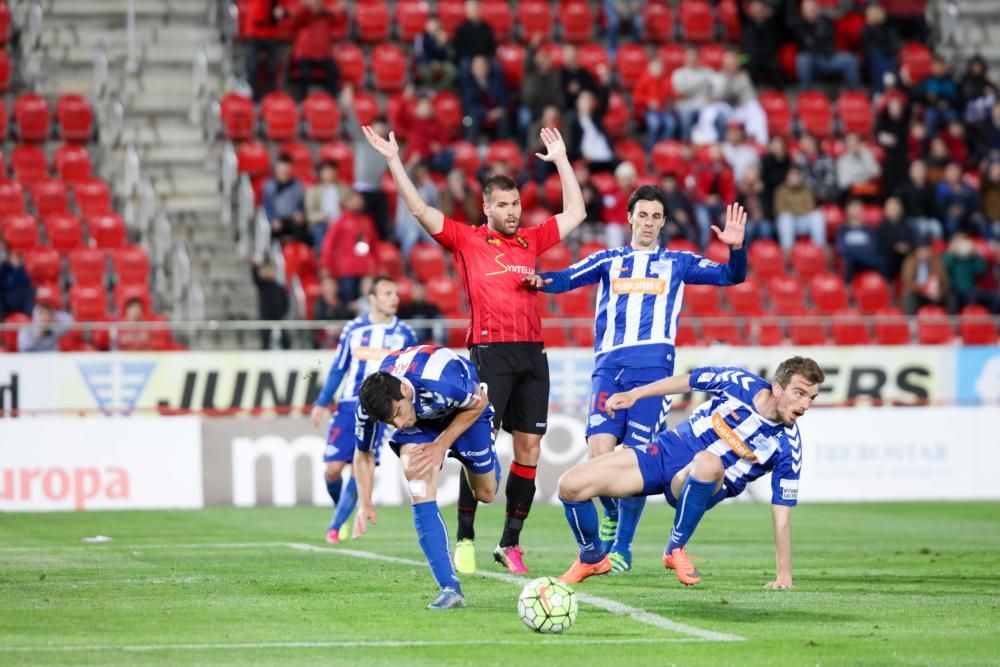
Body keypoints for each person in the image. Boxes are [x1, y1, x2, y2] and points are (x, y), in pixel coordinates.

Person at [362, 124, 585, 576]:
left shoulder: (531, 240)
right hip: (489, 352)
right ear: (486, 208)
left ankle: (510, 544)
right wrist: (393, 161)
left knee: (531, 449)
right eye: (502, 205)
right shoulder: (467, 240)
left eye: (516, 203)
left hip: (532, 354)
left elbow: (577, 213)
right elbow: (420, 208)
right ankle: (465, 537)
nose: (511, 211)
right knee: (475, 444)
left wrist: (561, 160)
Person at [526, 194, 748, 573]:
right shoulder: (608, 260)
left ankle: (622, 549)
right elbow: (565, 278)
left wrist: (738, 249)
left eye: (656, 216)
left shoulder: (678, 263)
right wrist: (538, 281)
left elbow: (732, 276)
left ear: (663, 223)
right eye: (642, 214)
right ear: (629, 218)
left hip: (653, 373)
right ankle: (610, 515)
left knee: (638, 456)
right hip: (608, 370)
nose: (648, 222)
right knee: (599, 454)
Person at [557, 357, 823, 587]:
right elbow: (688, 381)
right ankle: (591, 557)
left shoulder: (788, 446)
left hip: (698, 484)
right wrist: (635, 394)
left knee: (707, 462)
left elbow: (782, 517)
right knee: (571, 484)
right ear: (777, 388)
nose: (806, 404)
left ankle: (675, 548)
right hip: (667, 451)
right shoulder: (738, 382)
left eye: (811, 397)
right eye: (799, 393)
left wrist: (784, 576)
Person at [352, 345, 501, 609]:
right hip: (424, 422)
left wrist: (442, 445)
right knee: (417, 475)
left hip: (467, 411)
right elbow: (363, 454)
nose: (398, 425)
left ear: (406, 392)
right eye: (390, 422)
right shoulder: (370, 405)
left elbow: (480, 402)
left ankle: (474, 449)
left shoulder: (441, 380)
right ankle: (450, 587)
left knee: (486, 493)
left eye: (397, 414)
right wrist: (364, 502)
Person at [311, 277, 417, 544]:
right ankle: (342, 513)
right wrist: (322, 402)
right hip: (348, 404)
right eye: (387, 293)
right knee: (333, 470)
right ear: (372, 298)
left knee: (361, 467)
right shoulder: (354, 329)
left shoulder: (405, 333)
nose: (394, 298)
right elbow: (339, 367)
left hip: (382, 407)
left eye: (396, 293)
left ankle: (334, 527)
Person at [342, 87, 391, 240]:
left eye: (383, 128)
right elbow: (351, 122)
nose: (380, 130)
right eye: (377, 126)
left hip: (377, 192)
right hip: (360, 190)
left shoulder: (388, 149)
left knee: (381, 225)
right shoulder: (362, 141)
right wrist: (348, 103)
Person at [695, 50, 768, 146]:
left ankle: (759, 140)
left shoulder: (743, 76)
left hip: (738, 109)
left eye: (733, 63)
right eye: (728, 63)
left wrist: (739, 99)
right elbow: (713, 96)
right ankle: (710, 140)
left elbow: (748, 96)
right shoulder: (718, 76)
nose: (731, 65)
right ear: (724, 64)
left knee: (755, 108)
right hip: (724, 107)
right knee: (707, 111)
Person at [319, 190, 377, 305]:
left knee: (365, 303)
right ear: (347, 202)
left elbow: (374, 245)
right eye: (355, 199)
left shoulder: (367, 221)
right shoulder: (340, 221)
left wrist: (376, 265)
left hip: (364, 270)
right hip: (345, 270)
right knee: (347, 303)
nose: (358, 202)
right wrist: (326, 265)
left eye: (360, 200)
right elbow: (328, 245)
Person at [793, 0, 860, 90]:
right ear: (802, 10)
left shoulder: (826, 21)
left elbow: (828, 42)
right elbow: (803, 45)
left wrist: (813, 41)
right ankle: (806, 94)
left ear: (818, 8)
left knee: (850, 59)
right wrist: (816, 41)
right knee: (802, 59)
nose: (811, 9)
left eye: (813, 6)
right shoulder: (799, 25)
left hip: (828, 57)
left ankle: (853, 94)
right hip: (811, 59)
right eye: (808, 8)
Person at [288, 0, 341, 101]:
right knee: (304, 75)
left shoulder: (325, 16)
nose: (316, 6)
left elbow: (338, 17)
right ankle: (301, 100)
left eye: (318, 4)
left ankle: (331, 99)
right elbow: (295, 19)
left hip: (323, 55)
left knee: (334, 72)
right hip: (305, 54)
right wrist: (306, 7)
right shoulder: (305, 15)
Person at [519, 44, 565, 145]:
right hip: (530, 106)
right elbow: (527, 60)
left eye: (546, 60)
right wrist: (533, 46)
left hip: (547, 107)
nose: (543, 63)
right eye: (541, 60)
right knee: (524, 119)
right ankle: (524, 146)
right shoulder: (530, 72)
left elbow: (558, 96)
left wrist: (554, 107)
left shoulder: (555, 75)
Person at [693, 144, 736, 249]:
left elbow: (730, 191)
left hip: (719, 204)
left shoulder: (727, 168)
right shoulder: (701, 167)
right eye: (713, 151)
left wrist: (726, 209)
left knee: (728, 224)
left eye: (717, 151)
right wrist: (706, 198)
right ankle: (703, 252)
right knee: (705, 227)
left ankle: (730, 252)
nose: (715, 154)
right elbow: (697, 189)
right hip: (702, 203)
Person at [774, 166, 826, 251]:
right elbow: (779, 209)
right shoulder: (781, 190)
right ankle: (788, 252)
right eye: (791, 175)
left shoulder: (806, 189)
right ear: (787, 177)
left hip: (803, 221)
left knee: (817, 215)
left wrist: (792, 209)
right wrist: (798, 209)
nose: (794, 178)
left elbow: (810, 207)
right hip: (789, 221)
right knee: (785, 218)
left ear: (800, 177)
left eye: (796, 175)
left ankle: (819, 250)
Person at [460, 55, 510, 143]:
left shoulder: (496, 79)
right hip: (478, 113)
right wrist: (486, 113)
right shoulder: (468, 82)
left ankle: (500, 147)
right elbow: (469, 104)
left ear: (488, 68)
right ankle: (470, 147)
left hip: (494, 111)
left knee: (503, 118)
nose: (481, 69)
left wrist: (500, 109)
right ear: (472, 69)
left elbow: (503, 96)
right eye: (478, 67)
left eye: (483, 66)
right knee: (470, 120)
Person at [244, 0, 286, 101]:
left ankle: (271, 96)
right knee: (252, 66)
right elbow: (257, 16)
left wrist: (282, 13)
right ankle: (255, 95)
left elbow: (281, 13)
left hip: (270, 36)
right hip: (255, 35)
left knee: (273, 67)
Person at [632, 56, 676, 150]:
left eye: (660, 67)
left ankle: (664, 147)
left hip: (662, 110)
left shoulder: (666, 79)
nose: (658, 69)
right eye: (655, 67)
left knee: (671, 123)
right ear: (650, 67)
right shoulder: (644, 79)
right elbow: (636, 97)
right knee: (654, 124)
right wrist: (648, 102)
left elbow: (672, 93)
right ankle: (650, 148)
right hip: (647, 111)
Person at [671, 47, 715, 141]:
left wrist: (714, 95)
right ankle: (687, 143)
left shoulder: (707, 71)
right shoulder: (678, 73)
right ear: (685, 58)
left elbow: (717, 85)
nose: (691, 59)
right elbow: (680, 93)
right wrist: (699, 84)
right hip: (686, 106)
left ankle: (715, 145)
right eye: (689, 56)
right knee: (686, 114)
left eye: (694, 56)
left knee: (717, 115)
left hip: (704, 105)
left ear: (699, 58)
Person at [262, 154, 308, 244]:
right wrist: (273, 218)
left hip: (292, 219)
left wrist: (300, 212)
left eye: (287, 166)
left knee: (302, 231)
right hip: (277, 220)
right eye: (282, 166)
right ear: (277, 167)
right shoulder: (269, 185)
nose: (284, 169)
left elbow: (301, 204)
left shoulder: (297, 185)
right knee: (275, 231)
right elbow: (268, 206)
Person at [894, 159, 943, 242]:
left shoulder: (930, 188)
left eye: (921, 170)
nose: (919, 172)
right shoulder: (903, 188)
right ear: (910, 172)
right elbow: (898, 205)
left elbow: (934, 207)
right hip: (909, 219)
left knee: (937, 226)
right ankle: (919, 250)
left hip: (928, 219)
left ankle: (937, 251)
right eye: (916, 170)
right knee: (921, 227)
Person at [567, 90, 616, 173]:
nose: (586, 103)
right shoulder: (572, 121)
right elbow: (572, 145)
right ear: (577, 102)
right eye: (584, 100)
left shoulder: (596, 119)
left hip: (606, 156)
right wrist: (582, 156)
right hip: (587, 160)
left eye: (588, 101)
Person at [836, 200, 885, 281]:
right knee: (849, 261)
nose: (856, 210)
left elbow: (872, 246)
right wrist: (856, 252)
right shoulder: (843, 229)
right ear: (847, 210)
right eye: (853, 207)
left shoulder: (868, 229)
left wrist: (859, 252)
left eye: (858, 208)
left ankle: (882, 285)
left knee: (882, 261)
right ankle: (848, 287)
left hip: (866, 258)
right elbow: (841, 247)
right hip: (850, 259)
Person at [305, 161, 350, 249]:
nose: (329, 174)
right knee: (320, 229)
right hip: (321, 222)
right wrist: (323, 216)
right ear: (321, 173)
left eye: (331, 171)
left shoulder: (345, 189)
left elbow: (350, 209)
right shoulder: (313, 191)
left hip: (340, 222)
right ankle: (322, 256)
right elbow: (309, 214)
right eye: (326, 171)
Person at [942, 232, 991, 311]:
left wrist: (975, 255)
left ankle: (970, 321)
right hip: (953, 290)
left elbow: (982, 270)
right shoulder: (949, 255)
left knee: (972, 298)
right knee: (951, 299)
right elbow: (944, 267)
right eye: (959, 242)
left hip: (969, 289)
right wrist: (952, 253)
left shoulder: (972, 258)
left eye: (964, 242)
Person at [901, 242, 952, 314]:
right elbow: (908, 282)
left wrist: (939, 292)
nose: (923, 252)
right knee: (909, 297)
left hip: (934, 294)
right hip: (918, 293)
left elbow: (944, 280)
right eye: (921, 250)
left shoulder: (936, 261)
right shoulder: (910, 261)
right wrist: (923, 289)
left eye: (925, 250)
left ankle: (953, 323)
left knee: (950, 297)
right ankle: (911, 323)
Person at [937, 162, 985, 238]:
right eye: (951, 172)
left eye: (956, 171)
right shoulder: (941, 188)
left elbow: (976, 204)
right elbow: (938, 206)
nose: (954, 174)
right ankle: (954, 240)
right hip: (948, 217)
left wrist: (967, 210)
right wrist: (949, 210)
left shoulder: (967, 188)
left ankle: (990, 242)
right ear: (946, 173)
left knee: (979, 218)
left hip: (967, 215)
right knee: (953, 218)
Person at [860, 3, 900, 92]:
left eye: (877, 13)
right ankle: (881, 90)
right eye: (872, 14)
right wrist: (873, 27)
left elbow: (894, 45)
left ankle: (888, 90)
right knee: (877, 57)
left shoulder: (889, 28)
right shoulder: (866, 30)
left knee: (890, 60)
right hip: (872, 58)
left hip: (888, 56)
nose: (875, 16)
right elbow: (868, 47)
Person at [252, 257, 289, 350]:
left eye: (271, 270)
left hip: (279, 319)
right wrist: (254, 265)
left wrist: (282, 314)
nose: (269, 272)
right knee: (265, 342)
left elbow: (285, 302)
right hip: (266, 319)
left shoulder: (279, 287)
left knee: (286, 341)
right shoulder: (263, 285)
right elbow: (255, 277)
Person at [876, 196, 916, 282]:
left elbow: (914, 242)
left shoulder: (907, 226)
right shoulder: (882, 227)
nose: (894, 210)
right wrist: (896, 248)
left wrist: (907, 248)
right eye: (891, 208)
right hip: (891, 259)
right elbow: (880, 247)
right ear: (885, 210)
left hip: (907, 257)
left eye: (896, 207)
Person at [741, 0, 781, 86]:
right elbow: (748, 45)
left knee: (775, 65)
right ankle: (750, 88)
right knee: (740, 60)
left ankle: (777, 91)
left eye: (759, 9)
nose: (757, 11)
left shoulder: (771, 24)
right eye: (754, 9)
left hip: (767, 56)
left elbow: (772, 44)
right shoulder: (746, 24)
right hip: (748, 56)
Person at [920, 56, 960, 137]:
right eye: (935, 67)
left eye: (940, 67)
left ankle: (955, 145)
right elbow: (920, 95)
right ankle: (932, 141)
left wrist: (945, 99)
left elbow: (956, 97)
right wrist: (926, 96)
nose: (938, 69)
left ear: (944, 67)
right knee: (930, 117)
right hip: (932, 107)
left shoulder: (950, 80)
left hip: (948, 108)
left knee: (954, 118)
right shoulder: (927, 80)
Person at [414, 17, 457, 91]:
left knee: (453, 71)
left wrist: (441, 45)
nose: (433, 27)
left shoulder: (441, 36)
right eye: (430, 24)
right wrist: (431, 62)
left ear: (438, 25)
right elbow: (419, 54)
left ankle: (439, 89)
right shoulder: (420, 37)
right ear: (426, 25)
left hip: (440, 63)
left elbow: (446, 55)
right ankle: (432, 89)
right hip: (425, 63)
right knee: (425, 72)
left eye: (434, 24)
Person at [312, 276, 355, 349]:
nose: (330, 288)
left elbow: (348, 317)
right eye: (327, 285)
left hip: (343, 334)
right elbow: (319, 321)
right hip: (326, 338)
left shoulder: (343, 301)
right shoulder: (319, 303)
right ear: (322, 288)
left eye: (332, 285)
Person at [836, 133, 882, 201]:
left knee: (878, 192)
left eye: (855, 144)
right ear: (846, 146)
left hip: (866, 188)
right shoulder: (842, 160)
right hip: (851, 189)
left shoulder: (866, 155)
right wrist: (857, 182)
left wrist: (864, 155)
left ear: (860, 144)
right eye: (850, 144)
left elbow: (877, 172)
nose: (853, 147)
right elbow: (843, 182)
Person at [452, 0, 497, 67]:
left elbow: (492, 47)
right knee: (465, 65)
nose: (474, 10)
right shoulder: (461, 28)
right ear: (467, 10)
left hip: (484, 58)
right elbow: (458, 48)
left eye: (476, 7)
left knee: (496, 67)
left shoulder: (487, 28)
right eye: (472, 8)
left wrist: (482, 58)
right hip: (468, 58)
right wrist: (474, 58)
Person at [0, 242, 33, 321]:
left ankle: (29, 319)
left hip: (16, 297)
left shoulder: (14, 265)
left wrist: (18, 267)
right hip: (3, 301)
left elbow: (26, 282)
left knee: (30, 290)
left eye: (2, 250)